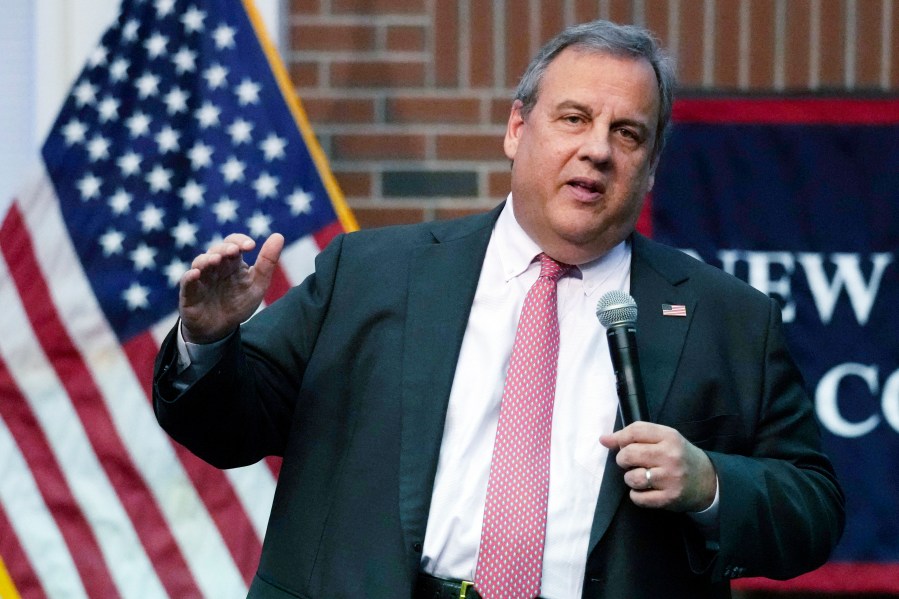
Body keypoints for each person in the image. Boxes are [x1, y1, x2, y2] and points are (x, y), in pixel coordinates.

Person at [153, 19, 844, 599]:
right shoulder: (370, 273)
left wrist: (710, 481)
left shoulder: (729, 320)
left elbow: (811, 507)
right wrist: (209, 339)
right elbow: (230, 429)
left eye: (627, 134)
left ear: (651, 164)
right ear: (518, 127)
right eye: (573, 118)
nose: (596, 149)